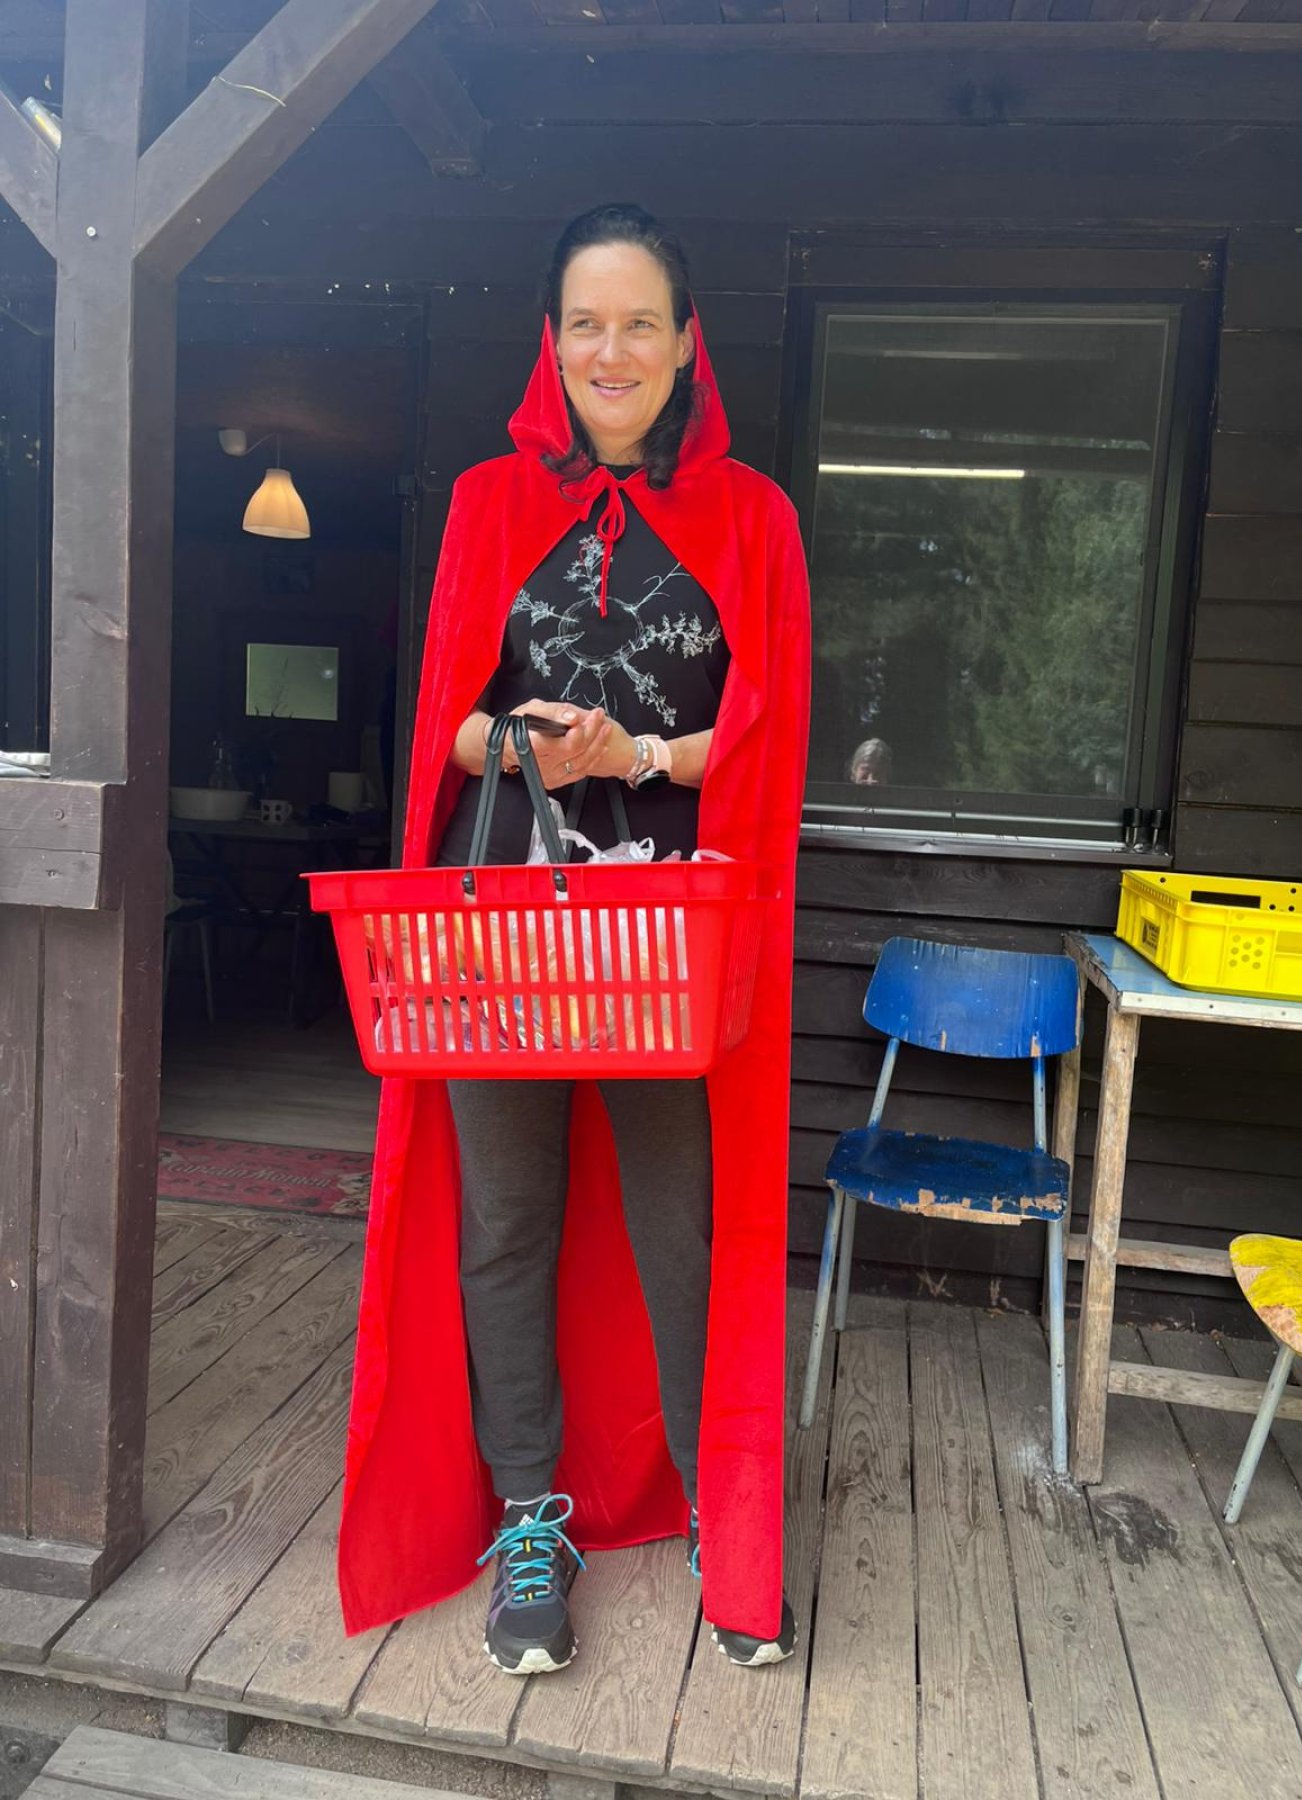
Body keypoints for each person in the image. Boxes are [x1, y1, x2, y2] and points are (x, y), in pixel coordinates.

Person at [335, 204, 812, 1678]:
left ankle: (724, 1513)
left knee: (681, 1226)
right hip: (500, 935)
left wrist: (639, 753)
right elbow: (445, 726)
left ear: (686, 344)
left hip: (666, 940)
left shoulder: (753, 519)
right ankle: (528, 1515)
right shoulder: (488, 505)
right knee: (505, 1221)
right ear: (551, 342)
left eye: (640, 323)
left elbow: (765, 737)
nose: (613, 351)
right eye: (586, 324)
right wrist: (525, 744)